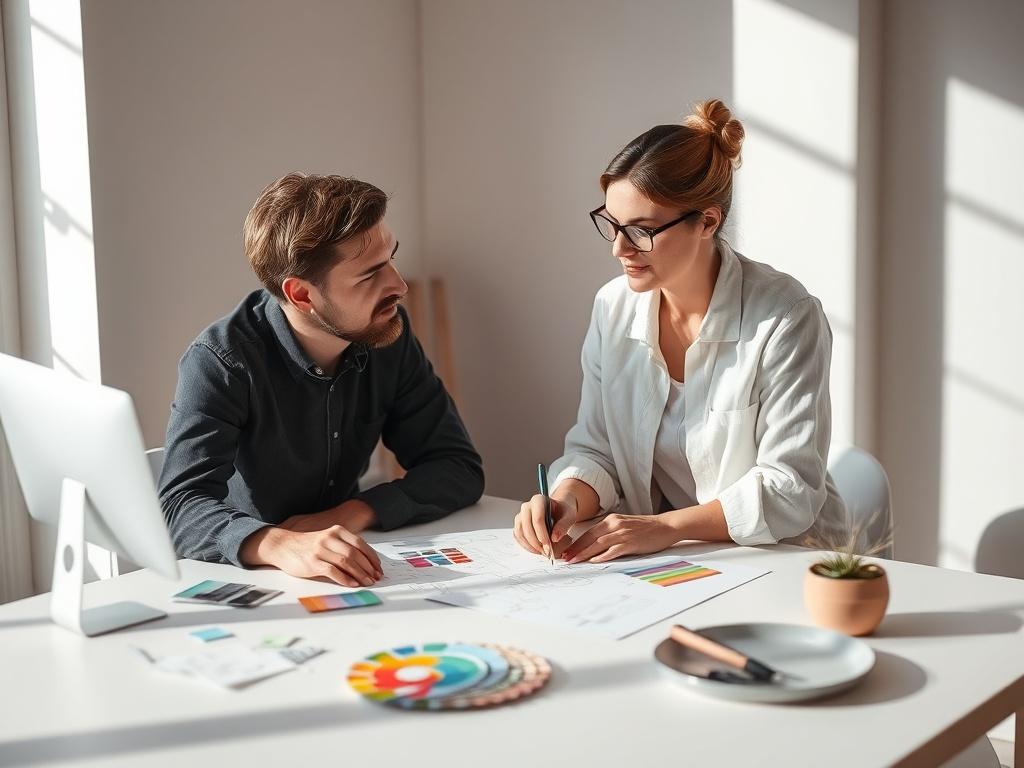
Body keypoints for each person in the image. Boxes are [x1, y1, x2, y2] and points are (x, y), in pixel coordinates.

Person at [514, 99, 844, 564]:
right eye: (612, 225)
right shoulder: (613, 308)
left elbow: (789, 489)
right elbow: (597, 449)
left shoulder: (786, 317)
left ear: (707, 221)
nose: (619, 250)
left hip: (787, 561)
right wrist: (566, 498)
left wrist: (662, 529)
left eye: (642, 230)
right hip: (679, 563)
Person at [160, 172, 484, 587]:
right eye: (370, 275)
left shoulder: (386, 333)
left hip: (346, 566)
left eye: (392, 258)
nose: (399, 286)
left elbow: (457, 467)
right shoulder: (222, 362)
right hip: (253, 578)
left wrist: (349, 513)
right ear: (301, 295)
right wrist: (277, 543)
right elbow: (179, 506)